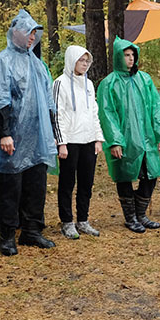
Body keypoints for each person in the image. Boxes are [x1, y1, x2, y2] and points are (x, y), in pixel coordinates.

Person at [0, 10, 58, 256]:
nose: (32, 37)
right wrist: (5, 133)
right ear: (15, 32)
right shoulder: (2, 62)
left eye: (35, 33)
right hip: (13, 136)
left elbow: (48, 101)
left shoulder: (37, 63)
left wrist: (53, 132)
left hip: (37, 137)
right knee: (10, 187)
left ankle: (32, 230)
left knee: (36, 184)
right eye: (29, 32)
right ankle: (6, 235)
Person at [98, 37, 160, 232]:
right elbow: (107, 114)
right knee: (124, 175)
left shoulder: (144, 79)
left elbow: (156, 108)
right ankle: (130, 217)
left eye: (132, 55)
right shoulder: (109, 84)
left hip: (146, 137)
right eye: (126, 55)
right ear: (117, 57)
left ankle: (141, 215)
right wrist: (115, 141)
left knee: (150, 175)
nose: (130, 59)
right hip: (125, 139)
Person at [51, 45, 104, 239]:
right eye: (81, 60)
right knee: (67, 182)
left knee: (86, 182)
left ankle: (83, 219)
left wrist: (98, 138)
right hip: (70, 141)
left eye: (86, 61)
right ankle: (67, 221)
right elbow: (57, 114)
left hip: (88, 140)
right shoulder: (60, 83)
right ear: (72, 60)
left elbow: (93, 112)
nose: (84, 64)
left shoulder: (89, 84)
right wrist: (61, 142)